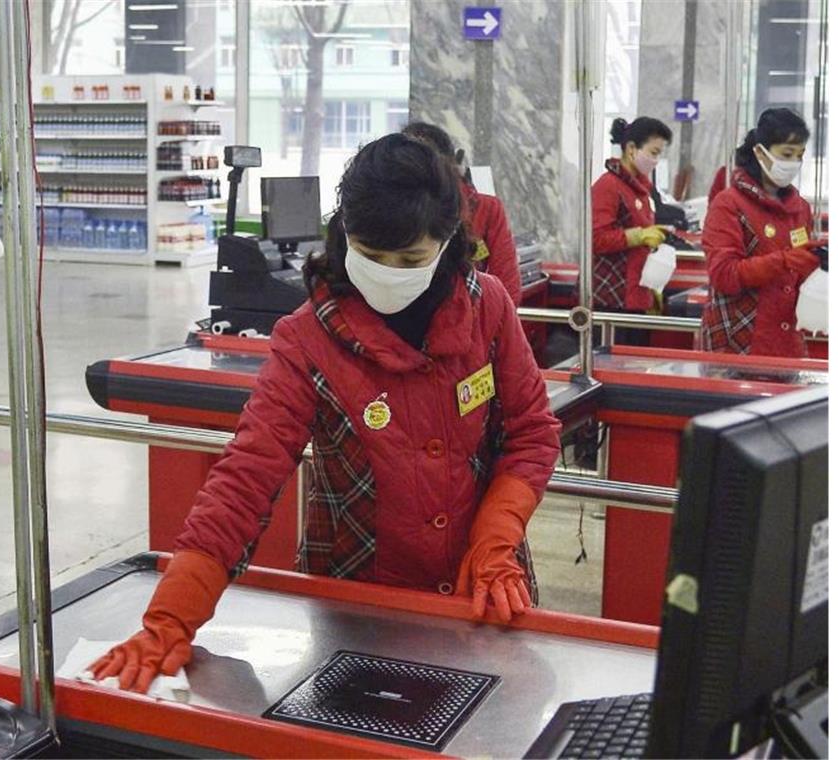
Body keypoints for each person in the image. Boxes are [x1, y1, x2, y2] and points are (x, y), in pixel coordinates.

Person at [89, 134, 561, 692]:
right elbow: (245, 481)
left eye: (409, 260)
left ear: (448, 242)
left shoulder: (487, 309)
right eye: (370, 255)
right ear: (343, 237)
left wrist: (496, 538)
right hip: (358, 606)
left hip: (483, 587)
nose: (389, 273)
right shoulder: (307, 340)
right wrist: (171, 617)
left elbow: (532, 432)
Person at [700, 108, 820, 357]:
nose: (794, 164)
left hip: (788, 340)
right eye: (787, 155)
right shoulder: (729, 203)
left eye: (800, 156)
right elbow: (724, 274)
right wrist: (784, 260)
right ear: (759, 152)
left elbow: (798, 276)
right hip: (738, 340)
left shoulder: (800, 209)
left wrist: (816, 267)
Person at [401, 121, 522, 305]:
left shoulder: (485, 208)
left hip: (467, 316)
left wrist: (484, 323)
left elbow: (507, 285)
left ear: (449, 166)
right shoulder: (389, 208)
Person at [591, 116, 674, 343]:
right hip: (611, 300)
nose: (656, 161)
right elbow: (596, 239)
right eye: (653, 152)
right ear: (630, 149)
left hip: (636, 294)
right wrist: (639, 235)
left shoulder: (641, 190)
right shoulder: (608, 186)